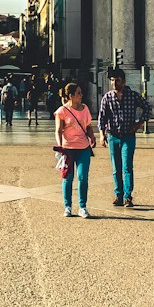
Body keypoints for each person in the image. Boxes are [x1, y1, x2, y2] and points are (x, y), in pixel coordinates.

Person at [97, 67, 149, 209]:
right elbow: (102, 117)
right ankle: (118, 195)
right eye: (112, 80)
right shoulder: (107, 98)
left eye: (117, 80)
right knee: (116, 167)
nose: (114, 83)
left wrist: (139, 124)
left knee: (127, 167)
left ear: (124, 81)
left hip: (128, 136)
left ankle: (128, 196)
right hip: (113, 136)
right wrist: (102, 135)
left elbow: (147, 107)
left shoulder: (133, 95)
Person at [55, 82, 96, 219]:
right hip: (68, 149)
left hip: (83, 147)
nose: (81, 95)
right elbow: (58, 130)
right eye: (78, 93)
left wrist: (92, 137)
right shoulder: (62, 111)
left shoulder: (85, 109)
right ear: (71, 96)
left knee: (83, 177)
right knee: (68, 178)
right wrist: (60, 146)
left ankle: (82, 207)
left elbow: (88, 126)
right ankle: (67, 206)